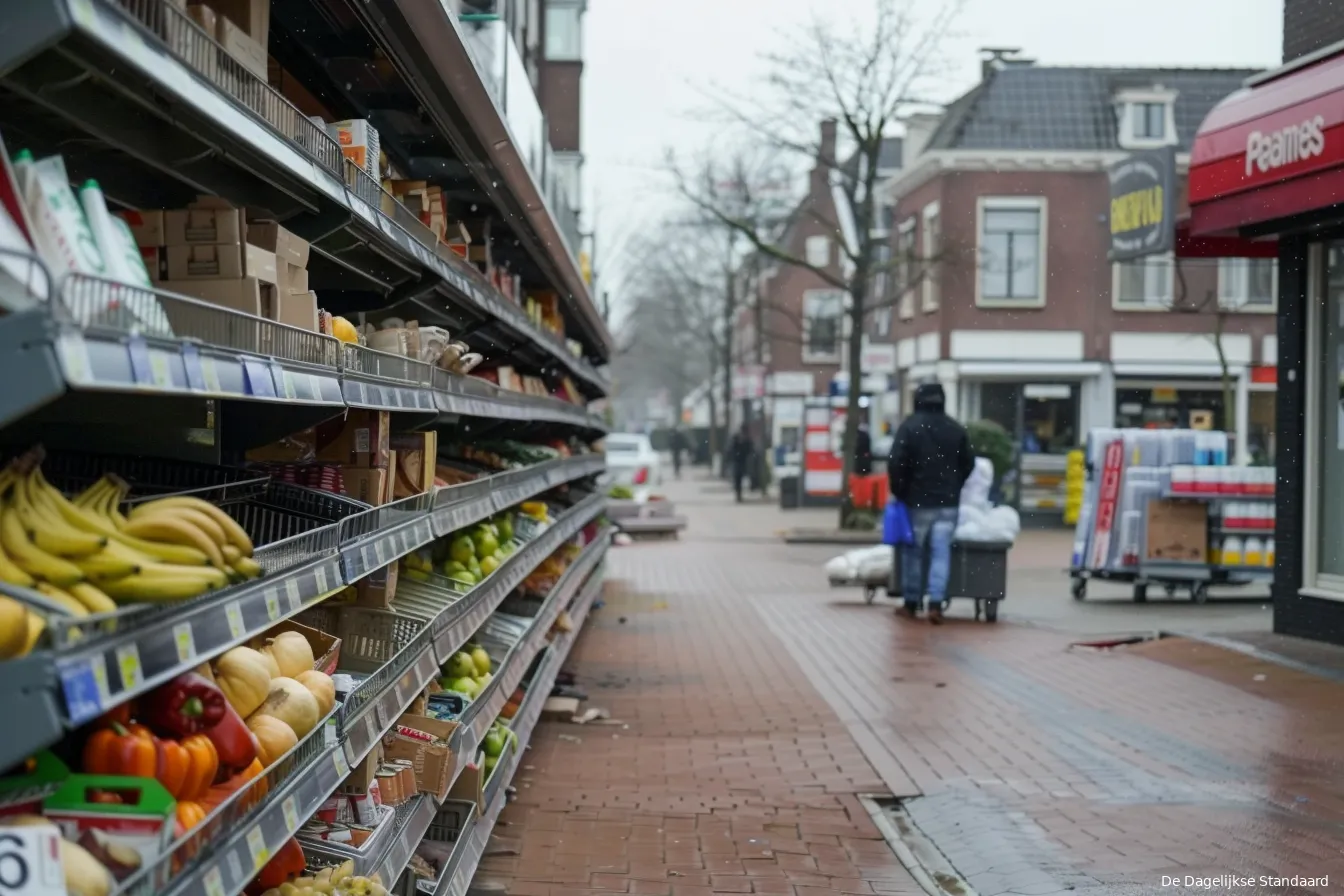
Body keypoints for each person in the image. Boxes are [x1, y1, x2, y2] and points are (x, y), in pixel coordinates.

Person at [888, 383, 975, 624]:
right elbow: (969, 462)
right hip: (948, 503)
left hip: (917, 502)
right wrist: (954, 484)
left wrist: (900, 490)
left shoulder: (910, 427)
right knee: (941, 552)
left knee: (913, 553)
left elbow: (896, 462)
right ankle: (936, 603)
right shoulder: (955, 428)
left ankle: (911, 602)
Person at [729, 424, 753, 503]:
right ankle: (738, 494)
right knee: (737, 479)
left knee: (741, 479)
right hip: (737, 462)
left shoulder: (747, 440)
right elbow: (732, 449)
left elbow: (749, 450)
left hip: (743, 462)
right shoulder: (736, 438)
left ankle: (740, 494)